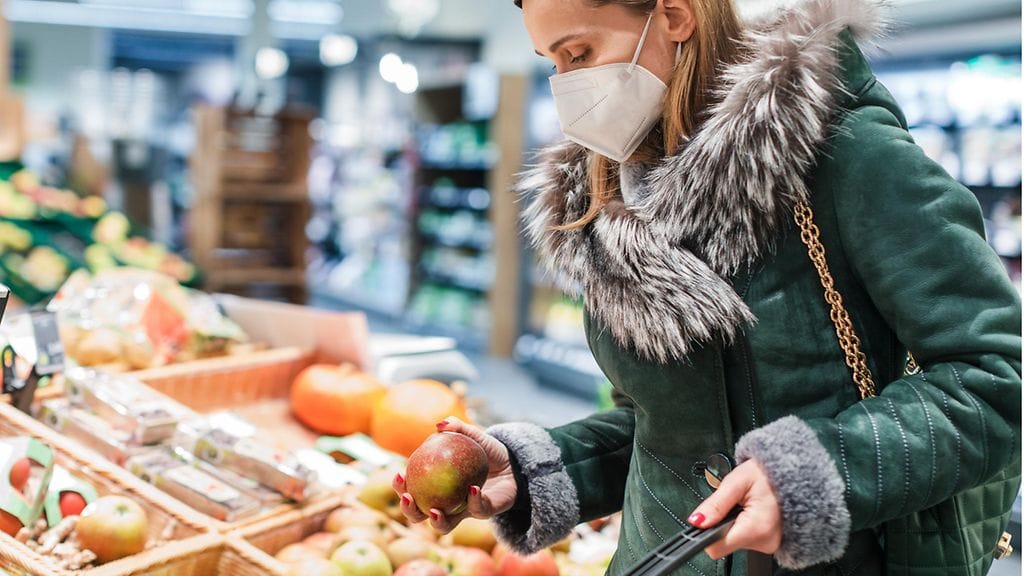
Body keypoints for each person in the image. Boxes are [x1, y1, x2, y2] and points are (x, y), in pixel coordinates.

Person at [392, 0, 1023, 574]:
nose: (567, 90)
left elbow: (998, 378)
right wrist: (540, 468)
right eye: (552, 62)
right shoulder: (612, 201)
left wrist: (817, 469)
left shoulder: (847, 157)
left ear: (672, 15)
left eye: (579, 54)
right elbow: (667, 430)